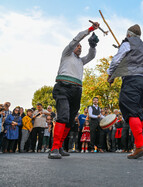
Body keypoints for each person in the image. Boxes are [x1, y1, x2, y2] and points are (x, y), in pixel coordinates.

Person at [107, 24, 143, 159]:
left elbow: (116, 60)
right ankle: (138, 145)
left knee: (129, 108)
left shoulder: (127, 43)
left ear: (129, 34)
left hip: (132, 80)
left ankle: (141, 145)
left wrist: (110, 75)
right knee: (135, 110)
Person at [49, 22, 100, 159]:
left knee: (70, 120)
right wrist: (90, 30)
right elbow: (76, 39)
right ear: (72, 48)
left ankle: (59, 146)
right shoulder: (66, 54)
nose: (79, 47)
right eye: (78, 46)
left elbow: (91, 56)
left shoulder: (80, 61)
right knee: (63, 116)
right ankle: (54, 148)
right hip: (63, 88)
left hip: (76, 90)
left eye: (81, 47)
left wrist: (93, 46)